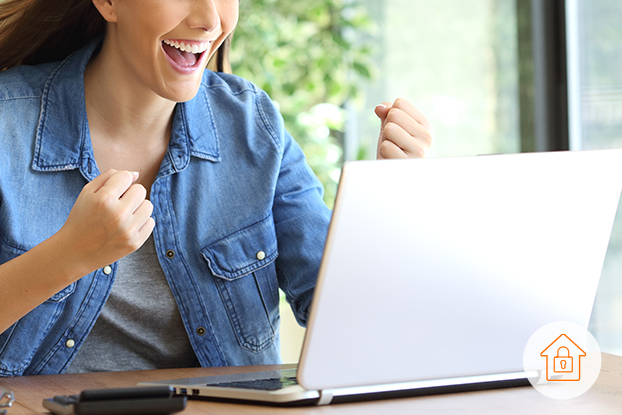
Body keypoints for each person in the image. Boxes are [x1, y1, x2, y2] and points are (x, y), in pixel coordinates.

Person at [0, 0, 434, 376]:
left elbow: (346, 320)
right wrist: (69, 255)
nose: (210, 20)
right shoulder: (7, 125)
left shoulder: (254, 127)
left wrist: (393, 202)